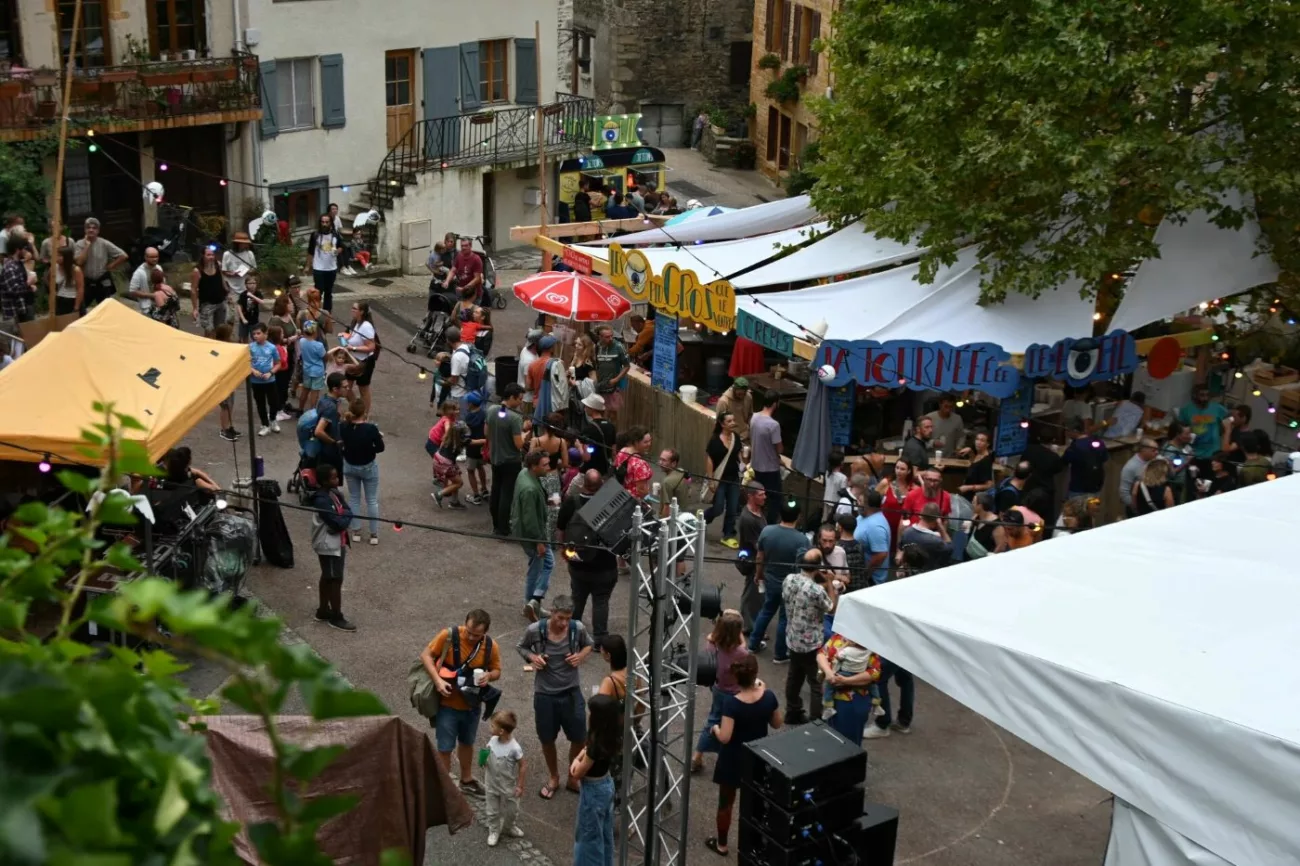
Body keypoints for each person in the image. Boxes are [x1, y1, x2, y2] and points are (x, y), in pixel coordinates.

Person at [515, 596, 595, 798]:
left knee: (579, 738)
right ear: (551, 612)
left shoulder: (577, 628)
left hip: (571, 693)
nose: (563, 623)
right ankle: (554, 777)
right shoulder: (535, 630)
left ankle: (572, 776)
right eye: (560, 618)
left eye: (567, 618)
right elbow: (521, 647)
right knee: (547, 739)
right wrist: (533, 657)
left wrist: (581, 656)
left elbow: (589, 645)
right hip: (545, 695)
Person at [706, 654, 782, 856]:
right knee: (756, 803)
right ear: (755, 674)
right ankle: (755, 845)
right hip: (757, 756)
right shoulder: (769, 697)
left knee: (726, 802)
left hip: (732, 758)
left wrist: (714, 728)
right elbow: (777, 723)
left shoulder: (732, 704)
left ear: (736, 678)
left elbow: (725, 737)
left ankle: (721, 844)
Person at [420, 609, 503, 794]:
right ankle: (445, 785)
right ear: (465, 624)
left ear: (485, 632)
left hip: (472, 705)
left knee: (467, 742)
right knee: (445, 747)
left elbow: (497, 670)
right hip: (447, 704)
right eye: (469, 632)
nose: (471, 637)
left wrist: (489, 676)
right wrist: (438, 680)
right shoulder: (448, 636)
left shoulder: (491, 646)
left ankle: (466, 779)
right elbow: (426, 656)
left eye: (477, 635)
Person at [557, 470, 619, 638]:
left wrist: (566, 551)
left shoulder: (572, 502)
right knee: (601, 601)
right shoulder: (609, 504)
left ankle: (572, 635)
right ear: (601, 486)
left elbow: (561, 529)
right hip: (605, 565)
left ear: (583, 485)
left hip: (578, 562)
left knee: (577, 598)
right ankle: (599, 638)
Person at [691, 609, 750, 774]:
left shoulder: (712, 644)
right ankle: (729, 755)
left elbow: (713, 636)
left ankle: (698, 756)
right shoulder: (740, 653)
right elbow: (744, 649)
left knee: (714, 719)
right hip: (734, 693)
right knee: (731, 724)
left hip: (718, 688)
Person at [782, 549, 837, 724]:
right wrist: (829, 582)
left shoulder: (789, 579)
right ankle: (815, 719)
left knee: (794, 677)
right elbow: (831, 608)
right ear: (818, 567)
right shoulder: (816, 590)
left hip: (792, 638)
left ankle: (792, 710)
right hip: (811, 643)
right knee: (815, 683)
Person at [746, 499, 807, 660]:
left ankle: (753, 644)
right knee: (784, 619)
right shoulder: (802, 540)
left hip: (770, 580)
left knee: (766, 611)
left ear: (780, 514)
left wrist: (759, 575)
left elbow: (760, 557)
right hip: (791, 585)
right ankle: (780, 654)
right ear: (798, 516)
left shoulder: (767, 531)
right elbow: (803, 565)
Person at [570, 693, 620, 866]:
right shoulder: (609, 736)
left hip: (593, 791)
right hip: (606, 784)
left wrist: (576, 760)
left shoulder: (595, 745)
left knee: (588, 838)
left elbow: (577, 772)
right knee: (604, 833)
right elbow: (587, 748)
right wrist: (583, 752)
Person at [309, 464, 355, 631]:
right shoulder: (321, 500)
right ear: (324, 481)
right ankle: (336, 616)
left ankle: (322, 610)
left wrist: (345, 516)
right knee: (335, 578)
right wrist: (345, 517)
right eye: (334, 477)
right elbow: (337, 523)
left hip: (338, 543)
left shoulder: (335, 493)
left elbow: (348, 510)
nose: (337, 479)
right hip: (328, 545)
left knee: (329, 576)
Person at [818, 632, 881, 745]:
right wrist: (828, 672)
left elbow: (874, 673)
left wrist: (846, 681)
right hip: (833, 698)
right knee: (832, 737)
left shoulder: (868, 644)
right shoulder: (839, 636)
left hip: (853, 702)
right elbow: (822, 653)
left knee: (849, 743)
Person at [514, 450, 554, 619]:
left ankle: (532, 602)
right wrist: (539, 542)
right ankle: (533, 602)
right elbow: (530, 520)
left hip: (526, 531)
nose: (548, 467)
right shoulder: (530, 489)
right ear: (533, 466)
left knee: (538, 566)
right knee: (544, 564)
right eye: (544, 465)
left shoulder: (524, 473)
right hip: (532, 535)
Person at [339, 398, 384, 545]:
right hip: (368, 466)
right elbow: (380, 448)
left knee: (354, 498)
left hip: (350, 465)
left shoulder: (343, 426)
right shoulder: (371, 429)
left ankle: (356, 531)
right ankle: (373, 534)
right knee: (371, 500)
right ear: (364, 412)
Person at [488, 383, 530, 535]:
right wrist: (525, 435)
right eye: (519, 399)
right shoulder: (514, 417)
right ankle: (503, 527)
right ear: (511, 397)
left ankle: (495, 524)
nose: (520, 402)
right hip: (511, 461)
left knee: (496, 490)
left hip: (495, 457)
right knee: (506, 494)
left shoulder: (492, 410)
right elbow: (519, 444)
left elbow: (487, 432)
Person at [482, 710, 526, 847]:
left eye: (492, 726)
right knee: (492, 810)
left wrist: (520, 785)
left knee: (512, 809)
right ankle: (494, 830)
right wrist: (483, 759)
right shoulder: (492, 740)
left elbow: (523, 766)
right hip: (491, 782)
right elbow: (486, 753)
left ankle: (509, 827)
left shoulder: (514, 748)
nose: (490, 728)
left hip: (508, 785)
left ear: (501, 731)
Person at [701, 413, 742, 545]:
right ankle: (703, 519)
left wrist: (744, 464)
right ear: (722, 424)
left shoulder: (736, 437)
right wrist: (711, 480)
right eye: (729, 421)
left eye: (733, 420)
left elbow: (738, 455)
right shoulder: (715, 440)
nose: (732, 423)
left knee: (733, 507)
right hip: (720, 479)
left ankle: (728, 534)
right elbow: (710, 460)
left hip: (734, 478)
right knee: (718, 508)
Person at [735, 480, 767, 637]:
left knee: (758, 594)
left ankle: (753, 623)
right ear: (751, 496)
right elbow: (757, 545)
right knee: (751, 593)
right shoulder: (748, 519)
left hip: (759, 560)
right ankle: (749, 625)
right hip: (753, 561)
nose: (764, 497)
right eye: (761, 495)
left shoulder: (758, 512)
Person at [1177, 384, 1231, 476]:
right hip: (1193, 454)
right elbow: (1180, 429)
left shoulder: (1217, 408)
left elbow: (1230, 420)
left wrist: (1224, 436)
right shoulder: (1186, 410)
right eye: (1202, 395)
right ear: (1195, 396)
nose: (1205, 398)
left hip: (1213, 454)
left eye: (1207, 395)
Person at [74, 217, 128, 307]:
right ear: (85, 229)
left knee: (105, 308)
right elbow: (79, 262)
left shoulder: (104, 243)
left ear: (98, 231)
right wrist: (87, 246)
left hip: (102, 279)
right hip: (86, 280)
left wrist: (112, 265)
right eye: (88, 227)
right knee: (81, 308)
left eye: (94, 228)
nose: (91, 230)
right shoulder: (79, 244)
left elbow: (124, 255)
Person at [749, 391, 784, 523]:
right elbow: (779, 448)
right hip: (770, 468)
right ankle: (769, 525)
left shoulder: (754, 417)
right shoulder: (773, 425)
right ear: (775, 404)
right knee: (775, 499)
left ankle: (757, 520)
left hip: (756, 465)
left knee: (758, 496)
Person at [429, 401, 470, 509]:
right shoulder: (451, 428)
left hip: (440, 456)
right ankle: (439, 494)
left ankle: (454, 501)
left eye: (458, 409)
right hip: (442, 459)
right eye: (455, 409)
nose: (458, 411)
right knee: (459, 482)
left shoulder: (452, 427)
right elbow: (472, 442)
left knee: (456, 476)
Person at [340, 301, 379, 415]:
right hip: (352, 359)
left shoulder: (366, 326)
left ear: (361, 312)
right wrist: (345, 337)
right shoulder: (356, 322)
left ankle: (364, 414)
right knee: (346, 388)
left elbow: (371, 346)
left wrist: (354, 348)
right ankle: (356, 409)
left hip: (364, 362)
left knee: (363, 389)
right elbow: (353, 337)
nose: (352, 310)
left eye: (355, 309)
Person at [248, 324, 283, 436]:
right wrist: (253, 371)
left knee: (274, 402)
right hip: (256, 381)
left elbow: (278, 363)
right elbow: (246, 363)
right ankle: (265, 424)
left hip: (269, 380)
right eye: (254, 334)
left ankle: (273, 420)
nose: (256, 336)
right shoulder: (250, 347)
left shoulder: (272, 348)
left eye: (258, 333)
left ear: (265, 334)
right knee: (260, 403)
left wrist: (270, 373)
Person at [896, 502, 953, 571]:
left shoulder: (907, 532)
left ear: (920, 515)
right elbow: (950, 548)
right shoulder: (936, 541)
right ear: (936, 521)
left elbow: (901, 549)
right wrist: (941, 527)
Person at [1061, 419, 1108, 500]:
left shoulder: (1074, 448)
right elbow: (1104, 459)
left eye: (1067, 431)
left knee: (1076, 512)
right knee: (1092, 511)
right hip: (1096, 488)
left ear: (1075, 431)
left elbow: (1063, 462)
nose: (1066, 433)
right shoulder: (1099, 442)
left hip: (1078, 489)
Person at [877, 458, 918, 550]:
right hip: (886, 526)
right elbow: (873, 501)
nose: (898, 471)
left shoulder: (914, 488)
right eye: (897, 468)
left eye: (902, 469)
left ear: (909, 471)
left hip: (904, 528)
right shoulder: (886, 483)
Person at [313, 373, 349, 475]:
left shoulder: (324, 398)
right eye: (345, 387)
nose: (348, 389)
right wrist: (333, 442)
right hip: (328, 451)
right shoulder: (330, 407)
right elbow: (319, 431)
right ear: (335, 389)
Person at [305, 213, 341, 311]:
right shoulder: (315, 235)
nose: (324, 224)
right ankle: (315, 313)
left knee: (328, 292)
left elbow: (341, 246)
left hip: (331, 268)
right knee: (318, 292)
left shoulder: (335, 235)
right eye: (322, 222)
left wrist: (338, 250)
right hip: (318, 268)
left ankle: (327, 314)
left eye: (326, 222)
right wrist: (308, 266)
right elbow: (310, 251)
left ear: (330, 223)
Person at [594, 326, 631, 421]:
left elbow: (627, 366)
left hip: (613, 386)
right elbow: (596, 365)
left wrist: (616, 379)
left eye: (611, 336)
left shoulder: (618, 346)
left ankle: (611, 431)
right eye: (607, 337)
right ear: (600, 337)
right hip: (600, 384)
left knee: (612, 413)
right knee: (600, 411)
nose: (610, 339)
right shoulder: (597, 347)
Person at [190, 246, 227, 336]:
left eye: (213, 255)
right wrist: (195, 308)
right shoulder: (197, 271)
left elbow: (222, 279)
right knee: (209, 330)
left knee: (220, 329)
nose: (211, 257)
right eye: (208, 255)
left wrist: (226, 291)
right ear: (203, 256)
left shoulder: (218, 265)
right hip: (207, 304)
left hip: (220, 302)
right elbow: (193, 290)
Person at [1118, 438, 1158, 516]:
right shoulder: (1130, 467)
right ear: (1143, 450)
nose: (1157, 452)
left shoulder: (1155, 460)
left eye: (1157, 450)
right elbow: (1124, 493)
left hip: (1154, 505)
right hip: (1137, 509)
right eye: (1153, 450)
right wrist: (1136, 508)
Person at [462, 392, 489, 505]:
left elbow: (465, 433)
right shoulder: (484, 414)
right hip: (483, 448)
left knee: (470, 470)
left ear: (471, 404)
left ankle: (476, 495)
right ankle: (484, 489)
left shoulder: (468, 417)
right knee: (480, 467)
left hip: (472, 448)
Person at [579, 393, 616, 476]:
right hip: (605, 470)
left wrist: (578, 446)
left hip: (590, 472)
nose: (585, 409)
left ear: (592, 409)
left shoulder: (589, 429)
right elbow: (614, 451)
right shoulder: (611, 426)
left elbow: (586, 457)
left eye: (586, 406)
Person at [613, 426, 654, 499]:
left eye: (650, 441)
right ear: (636, 442)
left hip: (621, 494)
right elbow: (641, 490)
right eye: (645, 442)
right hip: (634, 500)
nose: (649, 444)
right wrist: (647, 495)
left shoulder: (623, 451)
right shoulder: (639, 463)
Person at [297, 320, 327, 415]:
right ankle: (312, 411)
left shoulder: (302, 341)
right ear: (315, 332)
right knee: (315, 392)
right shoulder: (318, 345)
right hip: (317, 371)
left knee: (305, 390)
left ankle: (300, 409)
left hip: (306, 369)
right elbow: (324, 356)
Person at [834, 512, 869, 592]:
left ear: (840, 527)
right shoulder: (860, 546)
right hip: (860, 589)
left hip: (844, 590)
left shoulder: (837, 547)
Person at [714, 377, 754, 442]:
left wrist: (750, 428)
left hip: (745, 434)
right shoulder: (724, 402)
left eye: (744, 394)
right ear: (734, 389)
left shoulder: (748, 397)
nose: (742, 396)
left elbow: (750, 414)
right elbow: (719, 423)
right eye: (739, 394)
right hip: (730, 438)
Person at [958, 430, 995, 497]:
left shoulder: (986, 461)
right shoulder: (978, 454)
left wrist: (968, 487)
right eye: (977, 439)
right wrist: (970, 451)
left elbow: (989, 485)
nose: (978, 442)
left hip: (975, 497)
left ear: (987, 444)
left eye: (982, 440)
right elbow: (975, 465)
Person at [220, 231, 256, 301]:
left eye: (246, 243)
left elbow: (254, 269)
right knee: (234, 309)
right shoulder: (227, 254)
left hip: (246, 287)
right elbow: (224, 271)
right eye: (243, 243)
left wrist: (247, 272)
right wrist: (233, 274)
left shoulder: (249, 254)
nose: (246, 245)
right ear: (237, 244)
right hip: (232, 288)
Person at [51, 245, 84, 317]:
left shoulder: (76, 270)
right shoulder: (55, 268)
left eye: (59, 256)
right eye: (56, 255)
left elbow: (80, 289)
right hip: (60, 300)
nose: (57, 258)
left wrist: (76, 307)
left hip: (72, 300)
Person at [127, 246, 161, 314]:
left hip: (160, 304)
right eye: (152, 257)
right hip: (146, 307)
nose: (155, 259)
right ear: (145, 257)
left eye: (156, 256)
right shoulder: (139, 272)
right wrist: (152, 295)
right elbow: (133, 291)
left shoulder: (159, 268)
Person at [518, 328, 543, 417]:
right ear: (536, 344)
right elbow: (528, 386)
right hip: (528, 399)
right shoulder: (529, 361)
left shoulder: (526, 349)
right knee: (528, 424)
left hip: (526, 397)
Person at [452, 236, 484, 305]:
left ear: (470, 246)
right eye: (462, 246)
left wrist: (465, 288)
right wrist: (447, 281)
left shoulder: (476, 259)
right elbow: (453, 270)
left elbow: (477, 278)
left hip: (473, 295)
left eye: (466, 245)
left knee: (472, 314)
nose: (463, 247)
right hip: (461, 292)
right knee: (461, 313)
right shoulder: (459, 256)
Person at [236, 273, 265, 342]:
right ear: (246, 285)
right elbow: (239, 306)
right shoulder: (243, 294)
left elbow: (262, 302)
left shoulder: (258, 293)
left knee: (255, 337)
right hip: (244, 319)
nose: (252, 285)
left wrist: (252, 296)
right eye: (250, 283)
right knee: (243, 337)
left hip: (254, 320)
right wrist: (242, 318)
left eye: (254, 283)